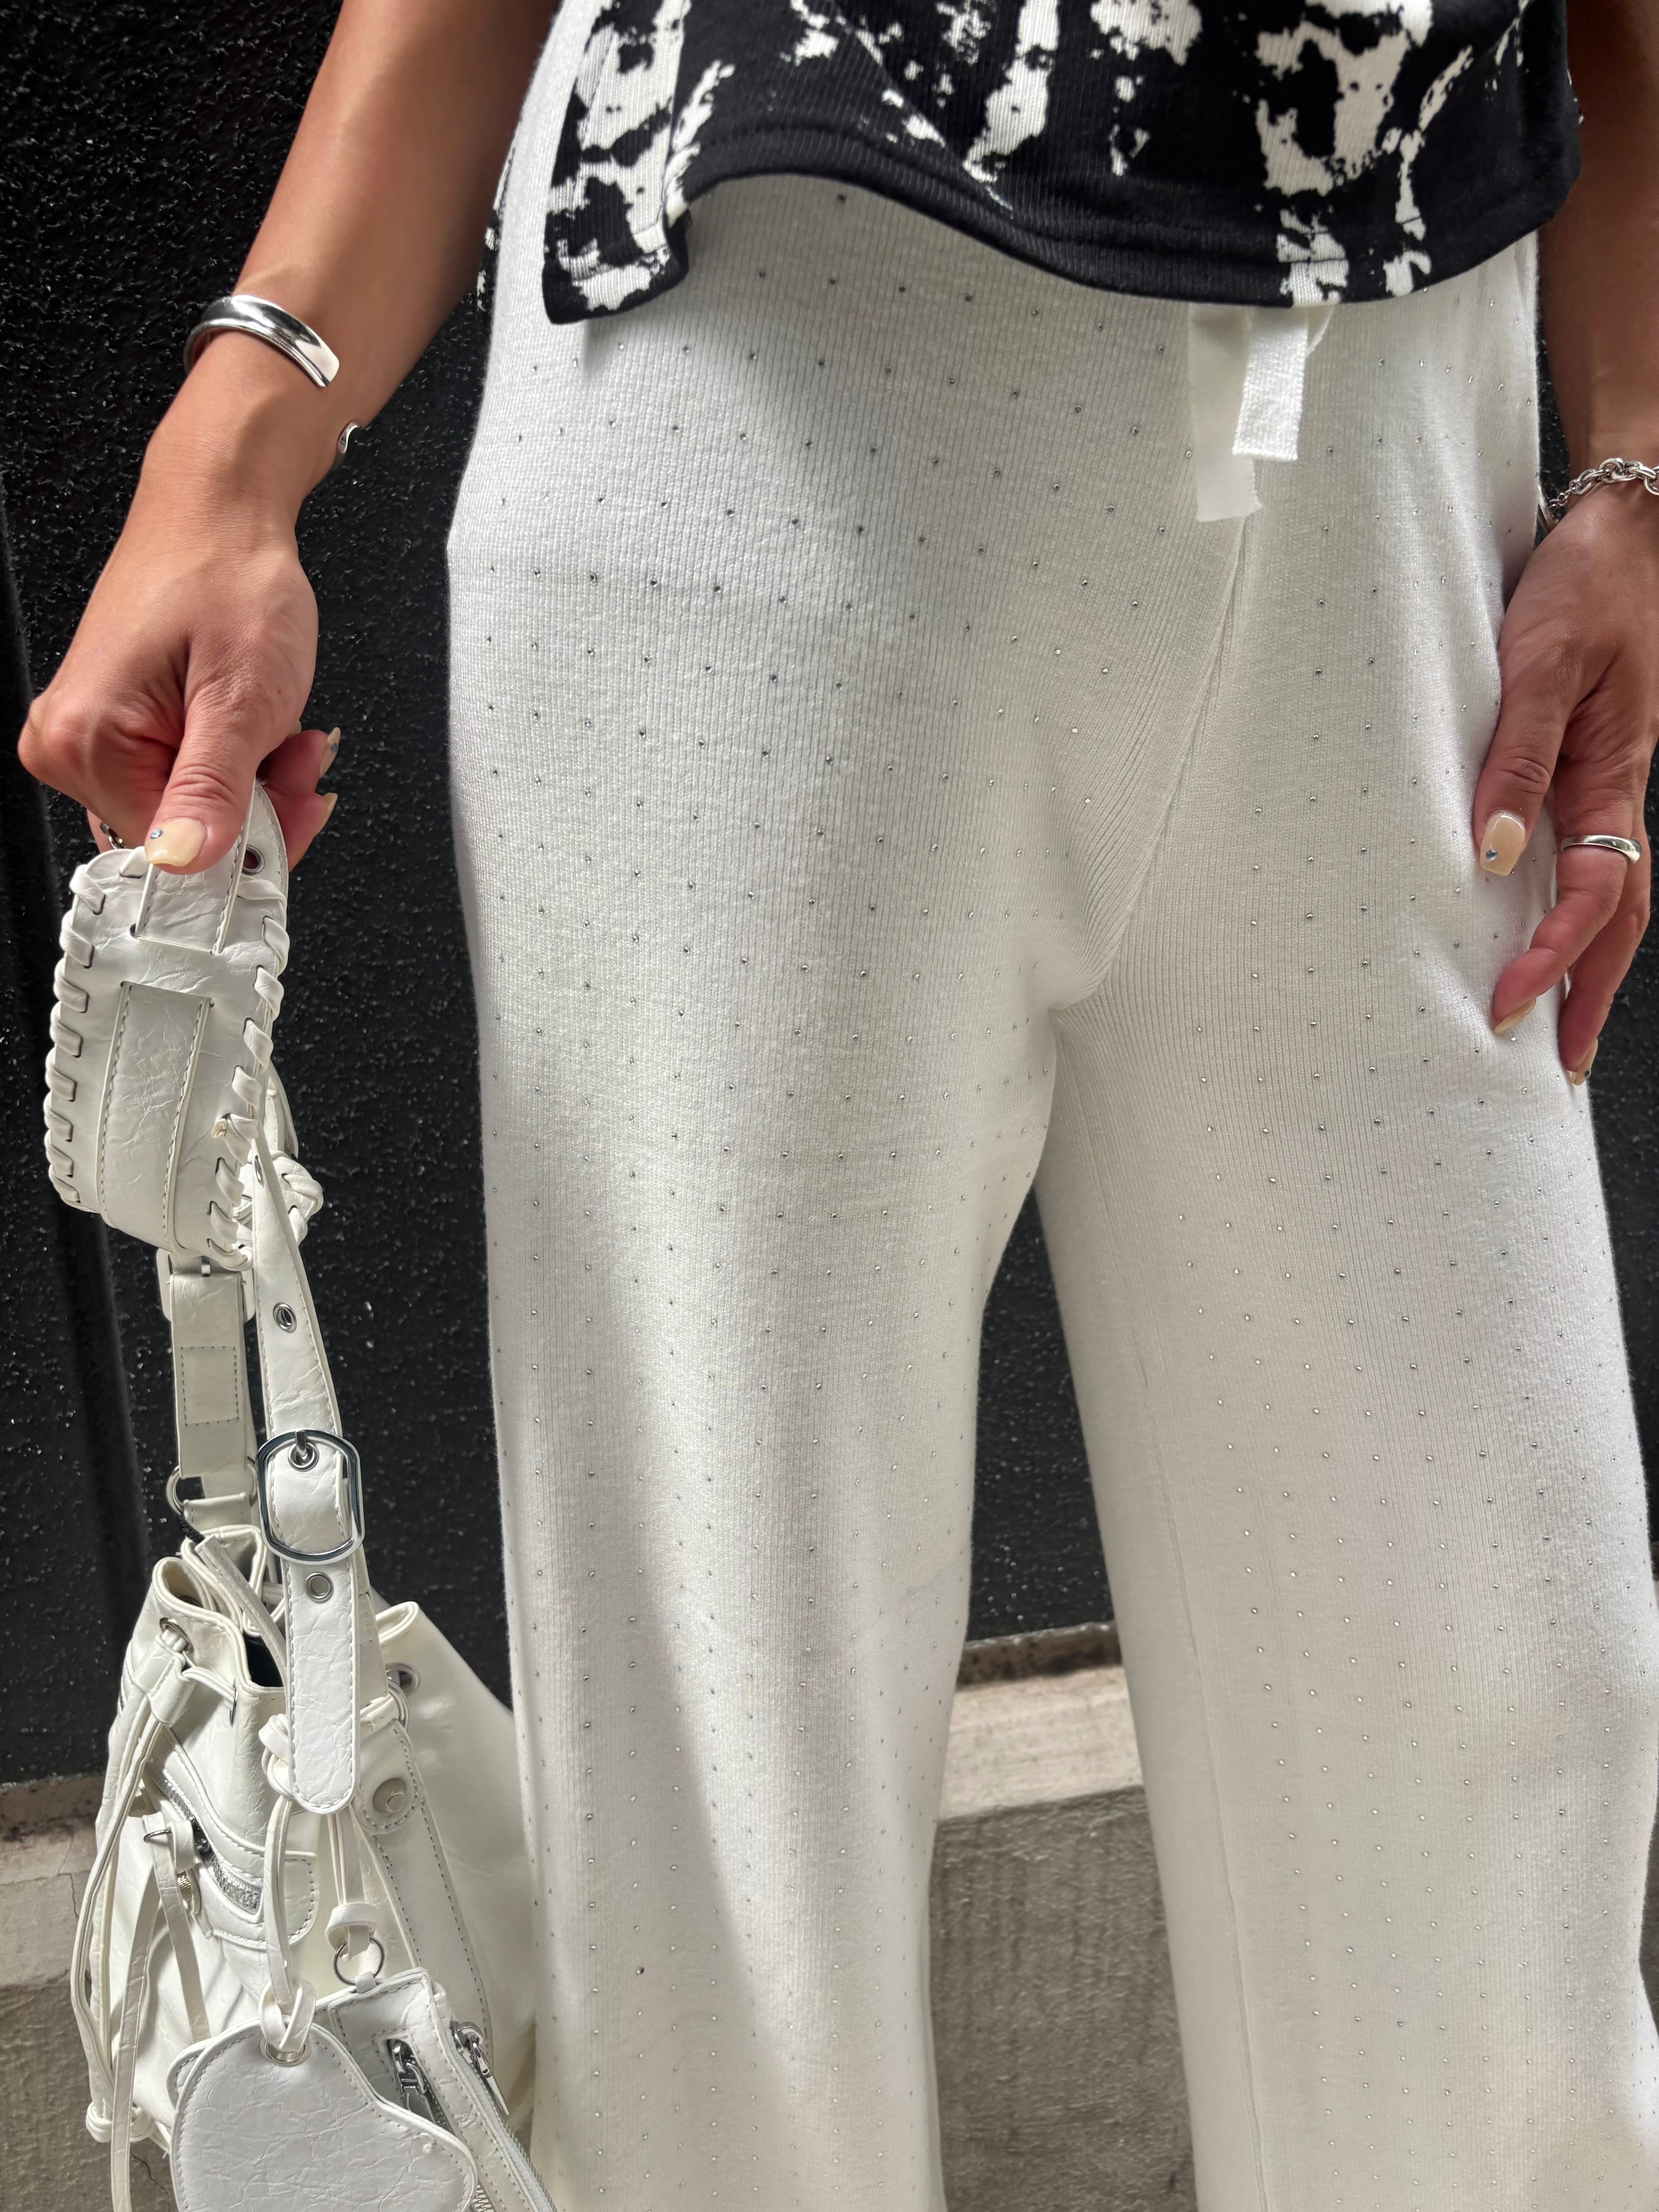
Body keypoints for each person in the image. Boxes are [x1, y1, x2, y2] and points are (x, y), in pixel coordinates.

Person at [20, 0, 1659, 2204]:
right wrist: (233, 445)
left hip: (1406, 453)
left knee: (1503, 1738)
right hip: (765, 379)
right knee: (727, 1828)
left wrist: (1634, 460)